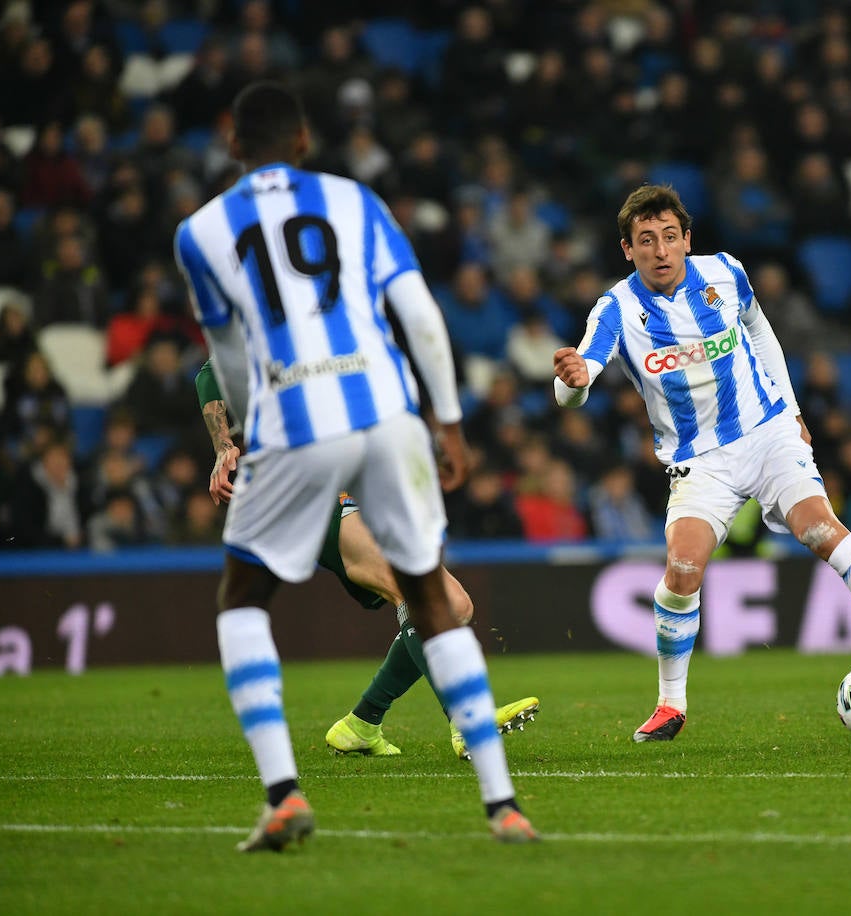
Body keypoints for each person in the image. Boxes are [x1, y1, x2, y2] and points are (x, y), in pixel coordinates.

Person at [173, 82, 538, 850]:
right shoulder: (355, 202)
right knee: (441, 602)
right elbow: (423, 320)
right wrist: (448, 421)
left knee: (244, 599)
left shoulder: (202, 232)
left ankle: (289, 789)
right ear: (304, 142)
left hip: (301, 435)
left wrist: (245, 443)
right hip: (386, 415)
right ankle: (499, 801)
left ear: (233, 147)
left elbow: (228, 365)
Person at [553, 183, 851, 744]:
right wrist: (569, 384)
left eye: (670, 237)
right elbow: (579, 379)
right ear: (628, 250)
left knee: (819, 527)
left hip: (765, 432)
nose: (661, 250)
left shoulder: (725, 273)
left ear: (687, 240)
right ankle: (671, 705)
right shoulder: (616, 309)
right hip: (700, 460)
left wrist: (790, 410)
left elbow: (760, 330)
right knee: (681, 570)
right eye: (647, 241)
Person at [196, 359, 540, 762]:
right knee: (408, 590)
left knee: (456, 605)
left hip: (359, 483)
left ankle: (361, 723)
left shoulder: (332, 338)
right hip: (306, 491)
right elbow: (211, 371)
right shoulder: (272, 332)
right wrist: (224, 447)